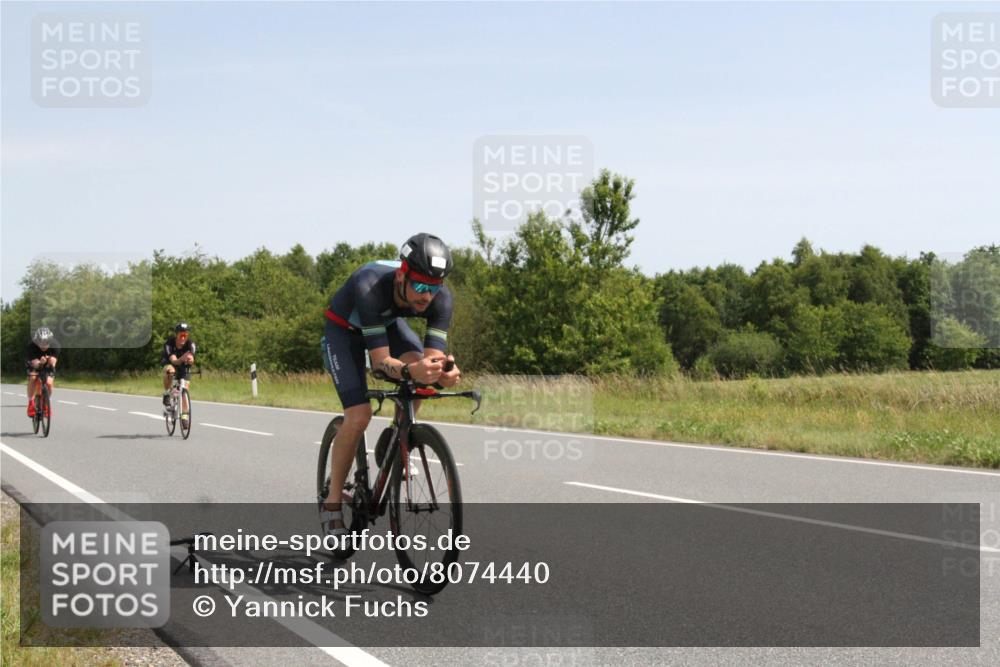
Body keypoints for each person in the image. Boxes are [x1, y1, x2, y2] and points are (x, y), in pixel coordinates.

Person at [319, 233, 462, 536]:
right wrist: (412, 370)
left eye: (434, 288)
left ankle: (396, 437)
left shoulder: (440, 299)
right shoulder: (368, 285)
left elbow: (432, 361)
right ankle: (332, 504)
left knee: (421, 380)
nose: (427, 296)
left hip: (387, 325)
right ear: (401, 276)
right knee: (359, 416)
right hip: (344, 333)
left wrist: (443, 373)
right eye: (421, 286)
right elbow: (381, 362)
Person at [25, 327, 60, 418]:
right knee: (33, 378)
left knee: (49, 383)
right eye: (41, 342)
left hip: (47, 364)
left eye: (46, 342)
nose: (44, 345)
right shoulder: (31, 346)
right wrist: (41, 363)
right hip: (35, 363)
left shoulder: (55, 345)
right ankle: (31, 403)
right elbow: (36, 365)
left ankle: (45, 404)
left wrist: (50, 362)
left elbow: (53, 363)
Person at [162, 323, 196, 410]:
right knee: (170, 371)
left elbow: (191, 359)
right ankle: (166, 393)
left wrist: (190, 360)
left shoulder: (191, 344)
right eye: (181, 335)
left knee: (184, 390)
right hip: (171, 364)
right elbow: (174, 361)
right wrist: (182, 358)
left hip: (184, 367)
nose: (183, 338)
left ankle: (184, 415)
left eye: (185, 335)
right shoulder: (169, 344)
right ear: (176, 334)